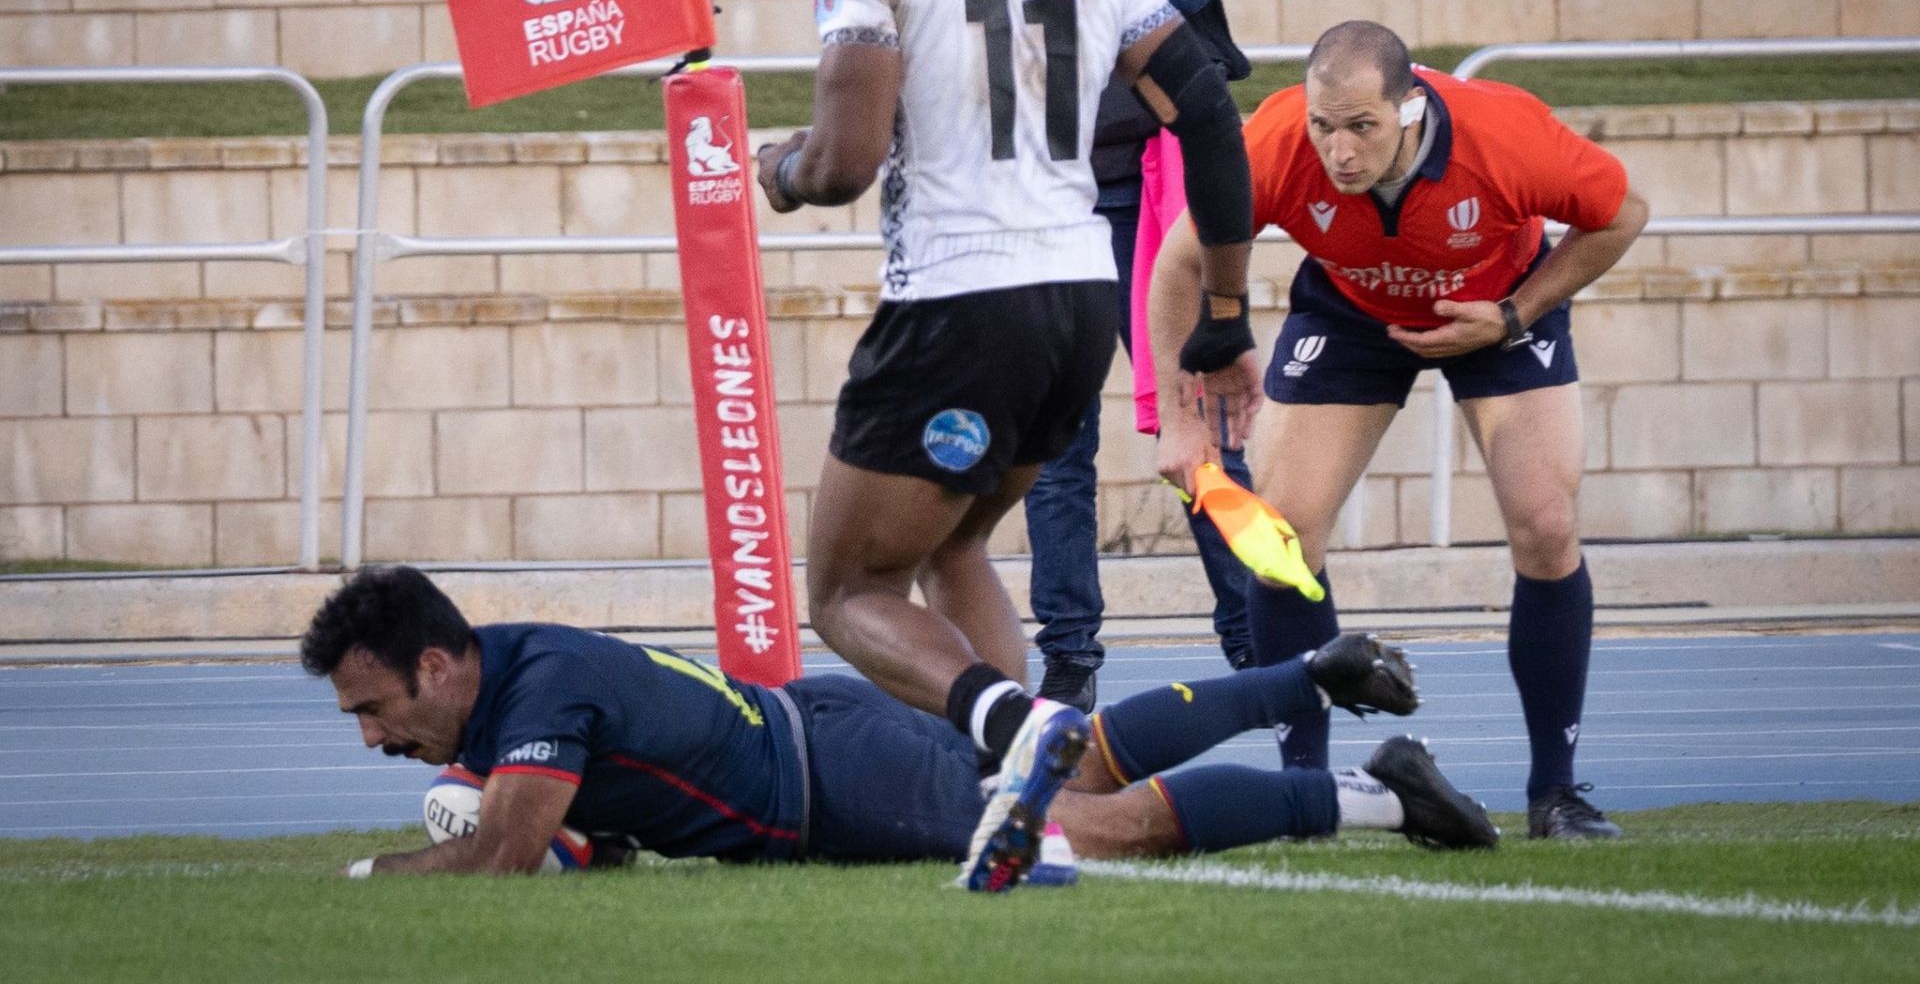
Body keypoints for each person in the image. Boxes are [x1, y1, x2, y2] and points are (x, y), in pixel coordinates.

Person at [751, 0, 1263, 879]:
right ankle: (1045, 806)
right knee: (960, 544)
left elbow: (842, 160)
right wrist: (1225, 313)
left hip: (957, 295)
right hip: (1081, 292)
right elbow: (1213, 113)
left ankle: (1021, 730)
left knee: (845, 587)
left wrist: (774, 170)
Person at [1151, 20, 1650, 841]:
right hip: (1353, 309)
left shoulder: (1504, 134)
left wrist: (1514, 313)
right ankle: (1305, 792)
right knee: (1279, 537)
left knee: (1548, 525)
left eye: (1361, 128)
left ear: (1410, 107)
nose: (1338, 151)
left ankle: (1555, 793)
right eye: (1324, 126)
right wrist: (1177, 422)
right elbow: (1178, 262)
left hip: (1495, 304)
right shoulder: (1274, 141)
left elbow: (1623, 212)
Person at [304, 565, 1498, 883]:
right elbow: (583, 830)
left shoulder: (538, 696)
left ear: (436, 663)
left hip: (836, 781)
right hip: (826, 727)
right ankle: (1310, 676)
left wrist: (377, 868)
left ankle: (1379, 795)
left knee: (1090, 828)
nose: (370, 738)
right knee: (1077, 750)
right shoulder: (518, 666)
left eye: (375, 710)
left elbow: (507, 851)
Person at [995, 0, 1256, 712]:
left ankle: (1250, 630)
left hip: (1159, 193)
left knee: (1200, 426)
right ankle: (1070, 655)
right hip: (1052, 191)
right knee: (1056, 447)